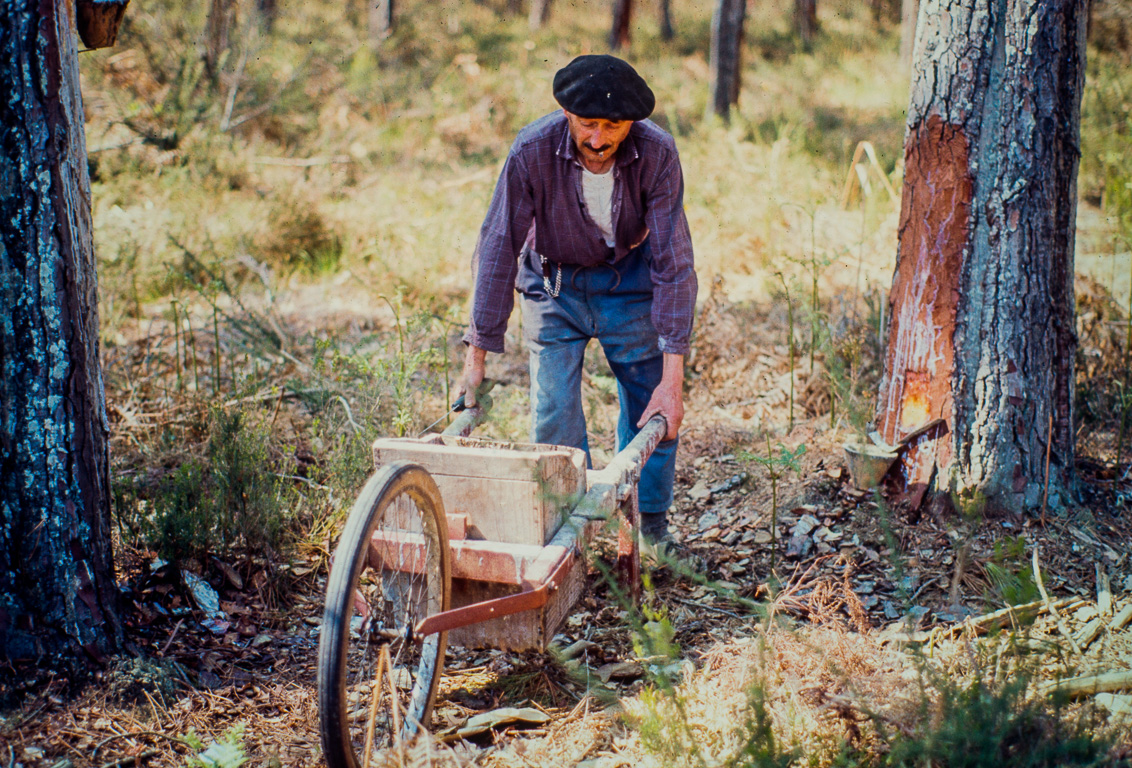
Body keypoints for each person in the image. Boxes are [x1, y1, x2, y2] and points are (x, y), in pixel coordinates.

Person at [458, 54, 697, 557]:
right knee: (553, 414)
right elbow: (499, 243)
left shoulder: (657, 153)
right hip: (553, 285)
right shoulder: (532, 149)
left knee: (649, 405)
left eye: (612, 126)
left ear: (632, 123)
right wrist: (475, 359)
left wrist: (672, 381)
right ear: (567, 115)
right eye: (587, 124)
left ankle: (649, 527)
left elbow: (675, 259)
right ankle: (573, 535)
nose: (597, 138)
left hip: (628, 281)